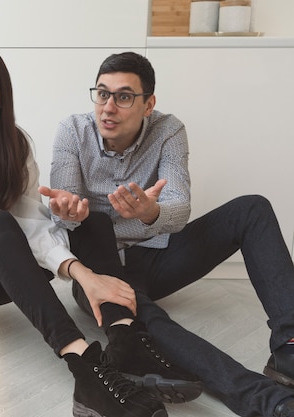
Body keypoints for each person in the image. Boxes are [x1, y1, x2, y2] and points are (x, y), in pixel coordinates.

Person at [0, 44, 191, 417]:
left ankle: (121, 348)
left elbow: (31, 225)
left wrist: (86, 276)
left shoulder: (14, 146)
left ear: (2, 92)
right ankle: (83, 363)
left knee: (54, 238)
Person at [45, 51, 294, 417]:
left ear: (149, 104)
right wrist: (68, 213)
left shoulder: (169, 129)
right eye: (102, 93)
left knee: (251, 209)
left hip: (158, 255)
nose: (108, 107)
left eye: (124, 96)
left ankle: (289, 349)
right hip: (100, 273)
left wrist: (151, 212)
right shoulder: (72, 131)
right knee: (150, 321)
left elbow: (179, 209)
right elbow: (66, 216)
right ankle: (268, 402)